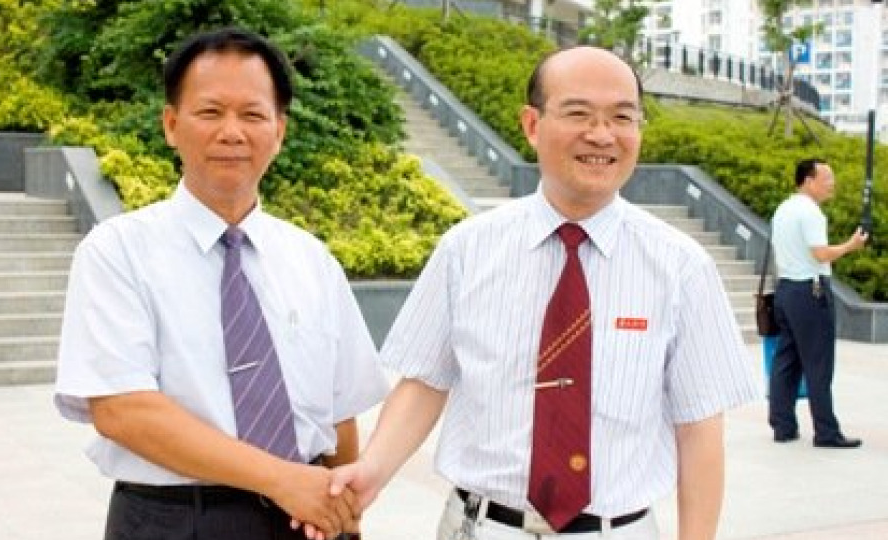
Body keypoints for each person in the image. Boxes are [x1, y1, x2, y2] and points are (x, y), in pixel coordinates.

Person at [324, 46, 759, 540]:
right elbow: (424, 382)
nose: (602, 135)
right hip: (482, 528)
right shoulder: (467, 249)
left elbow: (699, 426)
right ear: (532, 125)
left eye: (622, 117)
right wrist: (372, 472)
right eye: (579, 114)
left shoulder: (682, 267)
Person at [54, 27, 387, 540]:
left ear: (279, 131)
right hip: (176, 520)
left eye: (252, 115)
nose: (232, 132)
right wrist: (280, 480)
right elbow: (122, 410)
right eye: (210, 112)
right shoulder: (117, 251)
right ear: (171, 125)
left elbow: (339, 415)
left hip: (306, 517)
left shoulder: (312, 260)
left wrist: (347, 523)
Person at [769, 158, 867, 448]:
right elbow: (821, 254)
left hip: (785, 291)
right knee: (818, 363)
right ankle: (826, 432)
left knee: (785, 361)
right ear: (809, 181)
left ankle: (783, 426)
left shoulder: (783, 209)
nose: (831, 184)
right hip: (810, 292)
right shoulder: (811, 213)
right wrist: (851, 246)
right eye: (827, 179)